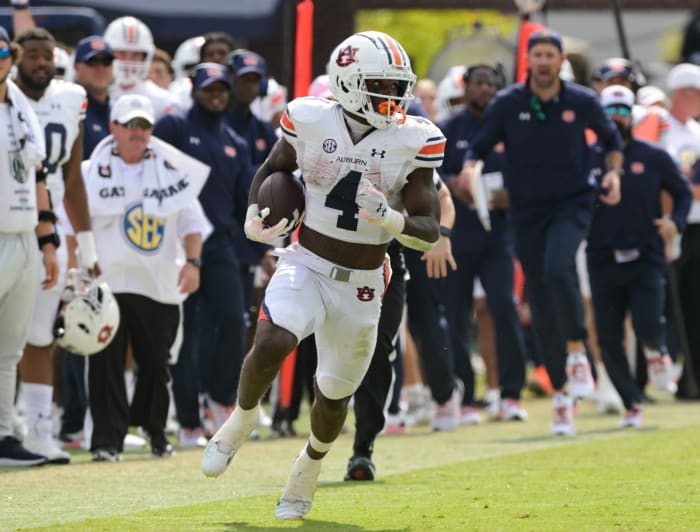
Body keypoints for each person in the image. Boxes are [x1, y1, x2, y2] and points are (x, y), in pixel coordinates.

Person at [201, 31, 443, 519]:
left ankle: (307, 467)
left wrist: (391, 220)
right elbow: (273, 169)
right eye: (381, 85)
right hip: (306, 261)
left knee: (333, 394)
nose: (393, 98)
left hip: (364, 281)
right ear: (349, 82)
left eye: (399, 87)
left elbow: (429, 230)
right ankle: (240, 421)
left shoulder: (414, 139)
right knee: (270, 341)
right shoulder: (309, 118)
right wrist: (254, 213)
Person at [461, 29, 623, 436]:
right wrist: (470, 168)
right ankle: (563, 397)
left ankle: (577, 353)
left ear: (560, 61)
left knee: (558, 267)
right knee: (543, 303)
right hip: (526, 211)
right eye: (539, 55)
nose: (545, 62)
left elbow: (611, 139)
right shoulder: (508, 103)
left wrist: (615, 174)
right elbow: (478, 148)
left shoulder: (582, 100)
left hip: (572, 204)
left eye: (552, 55)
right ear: (530, 61)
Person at [83, 94, 211, 461]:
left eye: (144, 126)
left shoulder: (173, 169)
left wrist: (193, 263)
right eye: (130, 125)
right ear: (113, 128)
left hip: (158, 281)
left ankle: (154, 429)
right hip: (105, 280)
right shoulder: (89, 170)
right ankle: (106, 441)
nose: (137, 133)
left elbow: (192, 222)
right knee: (104, 363)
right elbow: (72, 223)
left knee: (157, 362)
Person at [153, 63, 254, 446]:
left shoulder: (235, 140)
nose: (216, 94)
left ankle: (220, 397)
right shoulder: (174, 127)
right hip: (174, 243)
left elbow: (246, 196)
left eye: (222, 88)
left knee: (234, 320)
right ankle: (189, 419)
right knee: (184, 331)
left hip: (220, 242)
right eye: (209, 87)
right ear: (193, 89)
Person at [13, 25, 97, 464]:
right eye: (32, 55)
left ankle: (39, 428)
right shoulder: (7, 97)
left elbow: (72, 177)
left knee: (41, 335)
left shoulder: (70, 99)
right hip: (7, 223)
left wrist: (86, 243)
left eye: (47, 55)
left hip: (48, 233)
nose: (41, 62)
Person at [587, 85, 691, 426]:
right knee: (608, 336)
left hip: (645, 252)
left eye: (622, 110)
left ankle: (657, 350)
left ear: (632, 114)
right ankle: (632, 403)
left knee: (648, 321)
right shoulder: (589, 155)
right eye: (610, 111)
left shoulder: (653, 155)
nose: (616, 118)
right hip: (602, 255)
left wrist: (674, 222)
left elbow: (681, 192)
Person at [440, 64, 528, 422]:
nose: (486, 89)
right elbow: (426, 175)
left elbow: (530, 173)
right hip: (458, 236)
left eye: (493, 83)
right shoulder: (448, 128)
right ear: (466, 86)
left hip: (498, 236)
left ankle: (510, 394)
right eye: (480, 83)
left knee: (504, 308)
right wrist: (454, 185)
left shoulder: (511, 126)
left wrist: (512, 195)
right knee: (457, 316)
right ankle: (466, 397)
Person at [0, 24, 58, 467]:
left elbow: (37, 176)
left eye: (3, 50)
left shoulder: (20, 106)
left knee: (10, 347)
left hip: (22, 236)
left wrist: (49, 243)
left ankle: (3, 435)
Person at [103, 15, 176, 119]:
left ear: (146, 57)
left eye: (135, 54)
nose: (128, 61)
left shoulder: (162, 100)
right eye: (122, 53)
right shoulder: (96, 92)